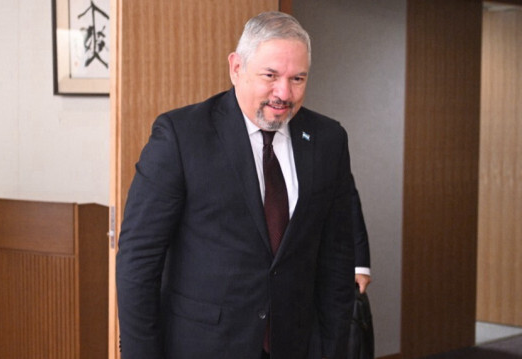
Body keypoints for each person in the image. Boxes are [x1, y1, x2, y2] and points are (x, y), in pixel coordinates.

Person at [116, 11, 355, 359]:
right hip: (202, 345)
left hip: (297, 345)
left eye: (298, 78)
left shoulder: (328, 139)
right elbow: (139, 259)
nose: (284, 93)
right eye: (270, 76)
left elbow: (336, 256)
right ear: (236, 67)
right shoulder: (181, 136)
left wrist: (333, 348)